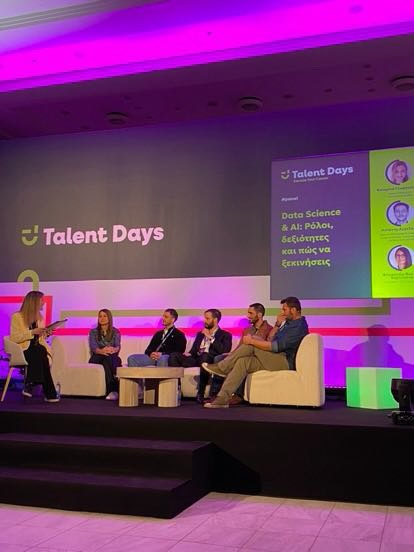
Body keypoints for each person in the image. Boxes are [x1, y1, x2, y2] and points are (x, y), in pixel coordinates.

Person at [203, 297, 309, 408]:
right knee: (243, 362)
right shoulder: (288, 323)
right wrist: (277, 325)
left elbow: (275, 347)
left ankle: (222, 367)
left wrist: (252, 341)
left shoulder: (298, 326)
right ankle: (222, 399)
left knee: (251, 343)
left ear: (293, 310)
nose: (282, 312)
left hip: (285, 362)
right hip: (276, 358)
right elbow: (270, 339)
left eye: (284, 309)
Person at [168, 309, 232, 403]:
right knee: (174, 356)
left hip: (209, 360)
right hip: (196, 358)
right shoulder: (200, 334)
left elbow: (224, 350)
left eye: (207, 318)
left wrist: (210, 338)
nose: (204, 321)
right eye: (204, 318)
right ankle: (177, 388)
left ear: (215, 320)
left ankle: (201, 393)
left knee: (205, 356)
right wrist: (189, 354)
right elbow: (194, 351)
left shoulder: (225, 335)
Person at [214, 303, 273, 405]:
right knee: (219, 358)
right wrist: (231, 354)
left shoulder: (269, 329)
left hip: (256, 357)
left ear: (259, 315)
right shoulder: (247, 330)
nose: (248, 316)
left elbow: (267, 347)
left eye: (251, 313)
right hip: (242, 352)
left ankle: (238, 395)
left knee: (241, 360)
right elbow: (240, 347)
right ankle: (216, 394)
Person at [10, 290, 59, 402]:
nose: (43, 303)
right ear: (34, 302)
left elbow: (39, 339)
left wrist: (46, 333)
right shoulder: (17, 317)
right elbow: (14, 338)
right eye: (42, 300)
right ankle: (50, 393)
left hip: (37, 350)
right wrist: (32, 332)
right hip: (22, 350)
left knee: (41, 351)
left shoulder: (39, 317)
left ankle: (30, 384)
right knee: (40, 352)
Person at [89, 309, 121, 400]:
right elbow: (94, 347)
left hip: (110, 356)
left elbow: (117, 346)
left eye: (104, 316)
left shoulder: (115, 331)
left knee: (108, 360)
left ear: (109, 318)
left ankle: (111, 391)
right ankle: (115, 387)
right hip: (97, 357)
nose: (102, 318)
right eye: (100, 316)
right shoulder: (93, 332)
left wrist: (113, 349)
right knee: (113, 359)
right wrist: (102, 351)